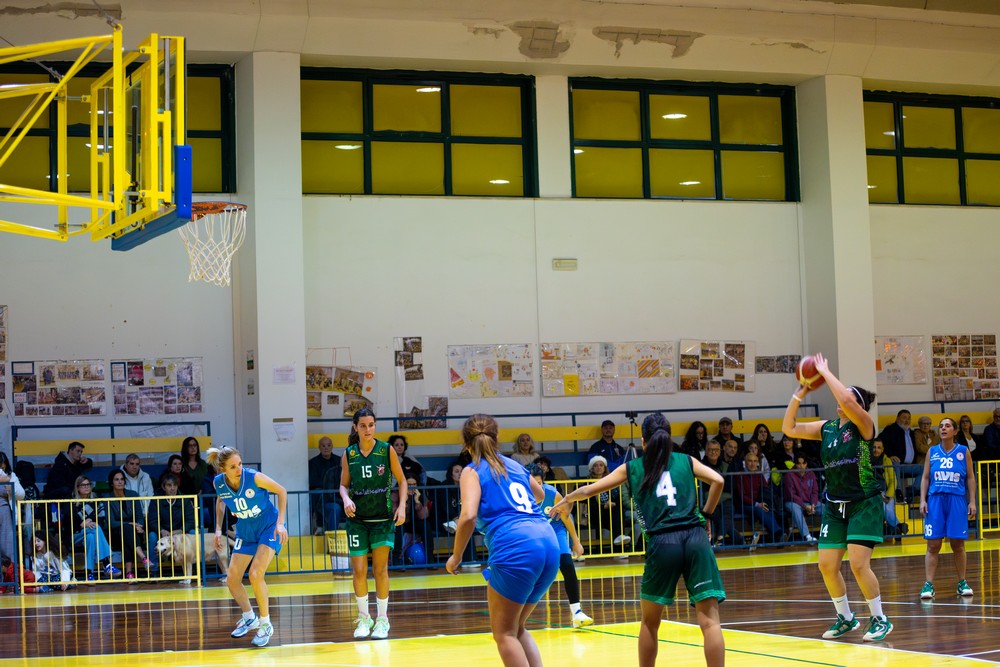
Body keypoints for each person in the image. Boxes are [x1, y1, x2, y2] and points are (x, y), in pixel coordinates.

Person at [553, 412, 726, 667]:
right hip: (696, 538)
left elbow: (591, 489)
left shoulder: (633, 467)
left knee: (649, 623)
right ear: (668, 439)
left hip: (663, 542)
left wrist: (567, 500)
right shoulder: (687, 461)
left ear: (643, 441)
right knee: (710, 622)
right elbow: (718, 480)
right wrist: (707, 514)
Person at [782, 353, 892, 642]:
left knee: (858, 564)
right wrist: (799, 392)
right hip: (835, 504)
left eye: (849, 399)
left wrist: (825, 371)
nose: (841, 401)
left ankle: (880, 618)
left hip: (863, 502)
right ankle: (845, 617)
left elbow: (847, 401)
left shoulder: (865, 425)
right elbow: (789, 429)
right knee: (827, 565)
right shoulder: (828, 428)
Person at [445, 414, 560, 667]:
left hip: (516, 546)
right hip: (547, 540)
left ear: (465, 444)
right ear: (497, 439)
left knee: (504, 633)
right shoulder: (514, 464)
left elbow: (468, 516)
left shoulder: (471, 471)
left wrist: (456, 556)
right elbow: (540, 495)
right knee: (518, 627)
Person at [209, 445, 288, 648]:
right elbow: (220, 502)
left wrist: (280, 523)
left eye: (240, 464)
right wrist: (218, 529)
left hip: (268, 526)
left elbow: (282, 491)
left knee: (255, 574)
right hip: (245, 528)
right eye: (233, 467)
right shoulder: (219, 483)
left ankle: (265, 623)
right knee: (232, 579)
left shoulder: (254, 477)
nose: (239, 469)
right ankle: (248, 617)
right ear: (223, 469)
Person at [340, 408, 408, 640]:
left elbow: (402, 480)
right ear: (355, 427)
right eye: (363, 425)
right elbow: (343, 485)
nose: (368, 429)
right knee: (358, 571)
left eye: (371, 425)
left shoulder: (386, 450)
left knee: (380, 570)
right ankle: (363, 618)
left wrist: (402, 506)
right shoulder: (349, 454)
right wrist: (346, 498)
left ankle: (382, 620)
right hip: (357, 521)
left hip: (382, 519)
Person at [528, 462, 593, 629]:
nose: (537, 489)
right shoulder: (520, 497)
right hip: (535, 533)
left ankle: (577, 613)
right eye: (533, 484)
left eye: (539, 484)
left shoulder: (552, 494)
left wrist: (576, 541)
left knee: (566, 564)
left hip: (555, 529)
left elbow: (565, 517)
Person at [918, 417, 977, 600]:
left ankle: (962, 582)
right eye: (941, 426)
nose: (943, 428)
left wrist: (972, 501)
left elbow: (970, 478)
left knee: (958, 544)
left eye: (948, 426)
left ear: (955, 431)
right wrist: (922, 500)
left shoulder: (963, 451)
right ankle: (928, 584)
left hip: (956, 500)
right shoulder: (932, 451)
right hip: (935, 500)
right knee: (933, 544)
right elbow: (926, 477)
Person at [100, 468, 150, 581]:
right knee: (127, 529)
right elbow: (111, 522)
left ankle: (129, 573)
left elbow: (139, 516)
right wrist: (130, 523)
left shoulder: (133, 494)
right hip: (114, 533)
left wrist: (140, 526)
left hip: (133, 532)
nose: (120, 482)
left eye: (122, 479)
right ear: (111, 482)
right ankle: (142, 558)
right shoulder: (107, 498)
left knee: (128, 532)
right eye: (116, 479)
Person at [71, 476, 122, 581]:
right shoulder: (71, 502)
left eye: (88, 484)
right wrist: (82, 524)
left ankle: (89, 573)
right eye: (83, 485)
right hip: (75, 535)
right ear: (77, 488)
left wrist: (89, 520)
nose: (86, 487)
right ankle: (107, 563)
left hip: (90, 534)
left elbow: (101, 519)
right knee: (95, 527)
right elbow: (69, 522)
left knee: (90, 537)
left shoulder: (96, 500)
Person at [147, 474, 197, 578]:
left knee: (193, 533)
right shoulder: (155, 500)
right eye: (169, 485)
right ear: (163, 487)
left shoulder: (185, 499)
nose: (172, 488)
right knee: (152, 536)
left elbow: (190, 520)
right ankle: (154, 571)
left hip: (180, 532)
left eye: (175, 485)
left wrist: (180, 530)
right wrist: (161, 530)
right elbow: (152, 520)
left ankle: (194, 569)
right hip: (162, 532)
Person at [733, 452, 783, 549]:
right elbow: (741, 496)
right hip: (743, 505)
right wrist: (756, 504)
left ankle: (777, 537)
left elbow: (765, 488)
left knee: (767, 508)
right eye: (750, 461)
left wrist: (764, 502)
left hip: (757, 503)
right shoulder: (739, 475)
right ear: (745, 463)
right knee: (758, 509)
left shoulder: (759, 474)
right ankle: (778, 533)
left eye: (755, 461)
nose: (753, 464)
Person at [586, 456, 630, 548]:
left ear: (604, 467)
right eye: (596, 466)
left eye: (601, 465)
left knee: (617, 510)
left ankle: (619, 540)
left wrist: (612, 503)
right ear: (592, 468)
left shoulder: (610, 481)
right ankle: (620, 547)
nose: (599, 467)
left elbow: (617, 498)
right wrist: (603, 506)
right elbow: (588, 503)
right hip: (595, 514)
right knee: (615, 514)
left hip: (611, 513)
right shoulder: (586, 483)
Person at [878, 409, 917, 502]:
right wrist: (890, 455)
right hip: (897, 465)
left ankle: (913, 490)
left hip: (910, 465)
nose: (907, 420)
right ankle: (898, 491)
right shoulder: (890, 429)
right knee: (895, 463)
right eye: (904, 418)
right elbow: (881, 442)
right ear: (897, 418)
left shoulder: (911, 432)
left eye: (909, 418)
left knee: (924, 468)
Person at [872, 439, 907, 538]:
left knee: (889, 509)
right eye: (874, 447)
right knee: (884, 508)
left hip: (885, 491)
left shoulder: (887, 460)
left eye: (879, 447)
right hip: (872, 492)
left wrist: (888, 495)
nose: (876, 450)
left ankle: (897, 528)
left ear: (883, 449)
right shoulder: (866, 461)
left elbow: (893, 480)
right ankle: (898, 526)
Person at [783, 455, 821, 544]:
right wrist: (805, 506)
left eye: (803, 463)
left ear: (806, 464)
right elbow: (791, 495)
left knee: (825, 508)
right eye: (799, 464)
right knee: (795, 508)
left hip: (810, 502)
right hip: (792, 502)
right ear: (795, 464)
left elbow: (815, 491)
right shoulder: (789, 475)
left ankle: (830, 534)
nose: (801, 466)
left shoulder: (811, 473)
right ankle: (807, 536)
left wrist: (813, 505)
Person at [309, 436, 343, 534]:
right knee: (317, 492)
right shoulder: (313, 463)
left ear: (332, 446)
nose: (326, 448)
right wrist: (327, 486)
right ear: (319, 447)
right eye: (323, 446)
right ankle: (319, 525)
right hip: (322, 497)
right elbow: (313, 481)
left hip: (337, 495)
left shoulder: (338, 460)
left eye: (328, 445)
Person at [0, 452, 25, 562]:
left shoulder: (11, 476)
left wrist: (11, 488)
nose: (2, 466)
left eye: (3, 463)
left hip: (5, 510)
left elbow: (21, 495)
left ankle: (9, 575)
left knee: (7, 544)